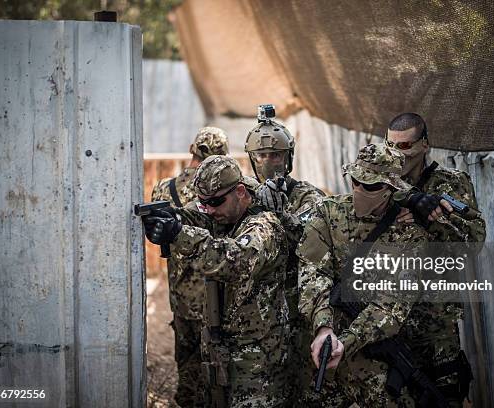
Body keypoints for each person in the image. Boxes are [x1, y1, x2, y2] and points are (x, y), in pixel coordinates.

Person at [298, 143, 470, 407]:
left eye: (371, 186)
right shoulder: (328, 212)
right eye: (356, 181)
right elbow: (312, 272)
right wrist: (324, 328)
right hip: (322, 350)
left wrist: (345, 342)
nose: (360, 190)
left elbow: (392, 304)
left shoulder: (410, 234)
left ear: (392, 188)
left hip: (370, 352)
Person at [143, 155, 289, 408]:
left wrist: (178, 234)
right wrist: (173, 217)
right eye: (203, 203)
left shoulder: (264, 225)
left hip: (257, 363)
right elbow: (200, 217)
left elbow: (235, 260)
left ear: (241, 192)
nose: (210, 210)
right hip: (225, 355)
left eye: (215, 202)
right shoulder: (226, 212)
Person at [245, 105, 338, 405]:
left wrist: (280, 214)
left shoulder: (308, 195)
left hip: (299, 310)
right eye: (262, 155)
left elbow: (314, 243)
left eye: (277, 155)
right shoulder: (243, 197)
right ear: (252, 159)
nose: (269, 162)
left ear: (289, 159)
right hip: (258, 318)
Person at [150, 127, 229, 407]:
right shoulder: (219, 190)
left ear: (191, 149)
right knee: (216, 367)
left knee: (186, 363)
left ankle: (185, 401)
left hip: (180, 295)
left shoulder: (163, 188)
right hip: (215, 294)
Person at [385, 112, 486, 242]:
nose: (395, 154)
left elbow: (475, 239)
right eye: (389, 145)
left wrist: (430, 221)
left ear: (424, 144)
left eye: (404, 146)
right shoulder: (378, 179)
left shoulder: (453, 180)